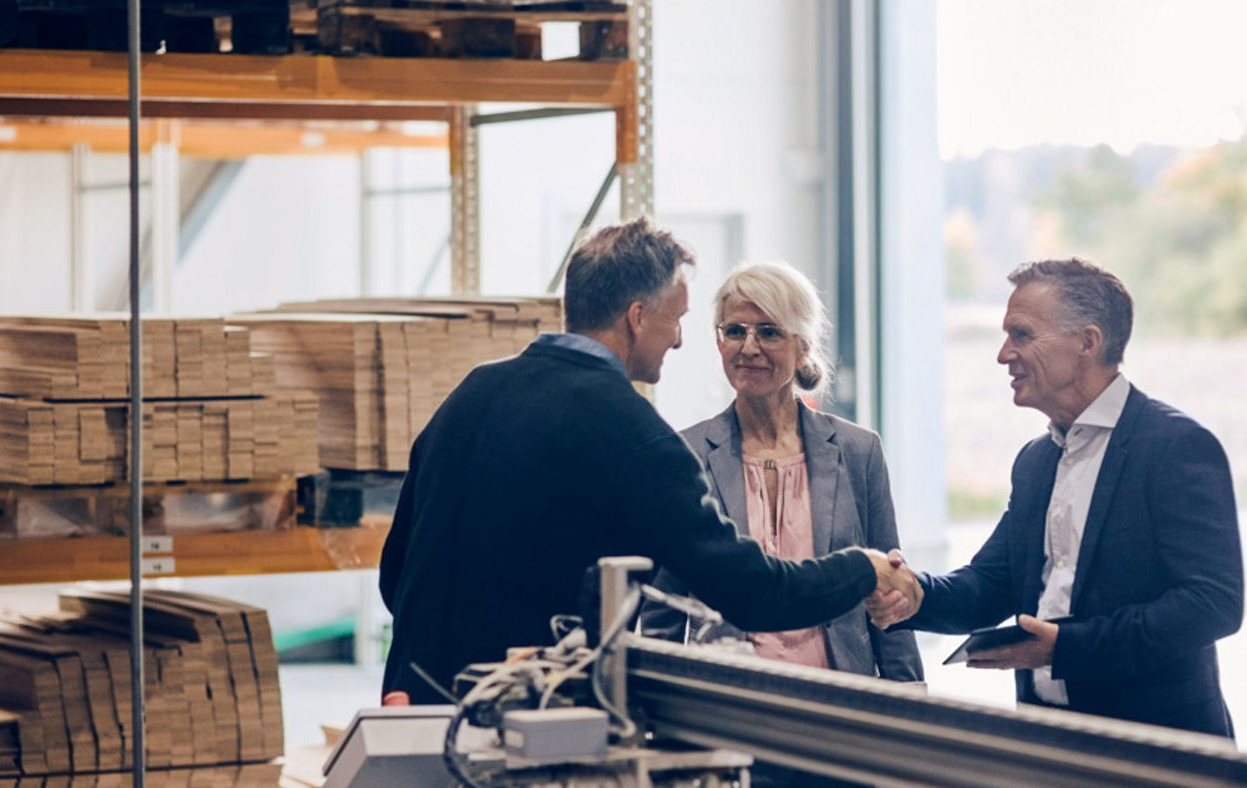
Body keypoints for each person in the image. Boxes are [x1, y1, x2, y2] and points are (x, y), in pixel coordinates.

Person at [379, 218, 922, 704]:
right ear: (637, 317)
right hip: (527, 721)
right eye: (677, 318)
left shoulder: (473, 392)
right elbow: (752, 592)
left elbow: (395, 572)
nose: (681, 339)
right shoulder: (630, 431)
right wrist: (861, 567)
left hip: (420, 708)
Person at [874, 258, 1243, 736]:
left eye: (1022, 335)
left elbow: (1213, 603)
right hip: (1048, 744)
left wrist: (1067, 648)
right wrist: (914, 594)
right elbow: (992, 584)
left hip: (1157, 750)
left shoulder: (1175, 447)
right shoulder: (1035, 460)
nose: (1003, 355)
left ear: (1087, 342)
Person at [641, 261, 923, 682]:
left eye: (769, 332)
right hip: (730, 700)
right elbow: (663, 608)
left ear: (803, 345)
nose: (748, 347)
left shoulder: (857, 451)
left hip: (842, 696)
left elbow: (891, 597)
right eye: (735, 331)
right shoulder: (686, 454)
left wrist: (912, 706)